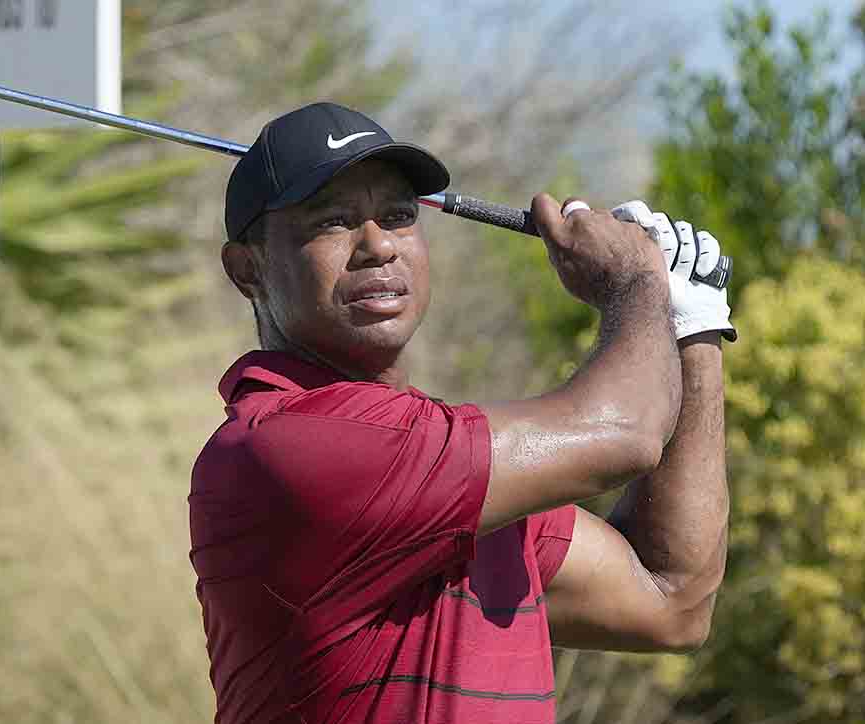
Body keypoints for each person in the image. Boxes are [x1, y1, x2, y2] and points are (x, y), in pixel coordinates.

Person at [188, 102, 736, 724]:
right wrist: (638, 283)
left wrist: (693, 326)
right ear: (247, 269)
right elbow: (625, 431)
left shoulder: (458, 474)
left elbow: (674, 601)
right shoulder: (284, 447)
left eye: (397, 217)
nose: (376, 246)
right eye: (333, 222)